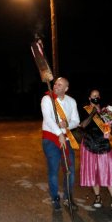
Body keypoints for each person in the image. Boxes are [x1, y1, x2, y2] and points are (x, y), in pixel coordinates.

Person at [78, 89, 112, 212]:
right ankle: (98, 197)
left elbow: (110, 126)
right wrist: (92, 113)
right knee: (94, 172)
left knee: (110, 172)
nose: (96, 98)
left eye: (97, 96)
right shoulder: (85, 110)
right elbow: (82, 125)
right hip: (89, 145)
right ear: (89, 98)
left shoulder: (106, 111)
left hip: (104, 146)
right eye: (93, 96)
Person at [41, 77, 80, 211]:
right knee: (54, 170)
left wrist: (67, 124)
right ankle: (55, 198)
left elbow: (76, 121)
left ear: (66, 89)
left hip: (66, 139)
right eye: (56, 83)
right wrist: (59, 133)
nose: (56, 86)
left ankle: (68, 198)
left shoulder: (72, 101)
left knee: (70, 171)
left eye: (60, 84)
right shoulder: (47, 99)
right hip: (50, 138)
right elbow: (48, 119)